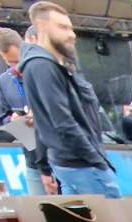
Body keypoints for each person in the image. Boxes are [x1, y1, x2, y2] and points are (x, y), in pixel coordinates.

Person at [22, 2, 119, 197]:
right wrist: (96, 160)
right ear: (41, 26)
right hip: (82, 164)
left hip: (75, 163)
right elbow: (63, 122)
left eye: (70, 28)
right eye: (62, 27)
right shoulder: (42, 67)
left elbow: (43, 122)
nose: (71, 34)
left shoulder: (51, 65)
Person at [0, 25, 49, 196]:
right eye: (10, 62)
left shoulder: (42, 70)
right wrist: (12, 120)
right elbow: (2, 116)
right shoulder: (4, 80)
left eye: (18, 61)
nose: (16, 67)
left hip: (55, 155)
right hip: (31, 157)